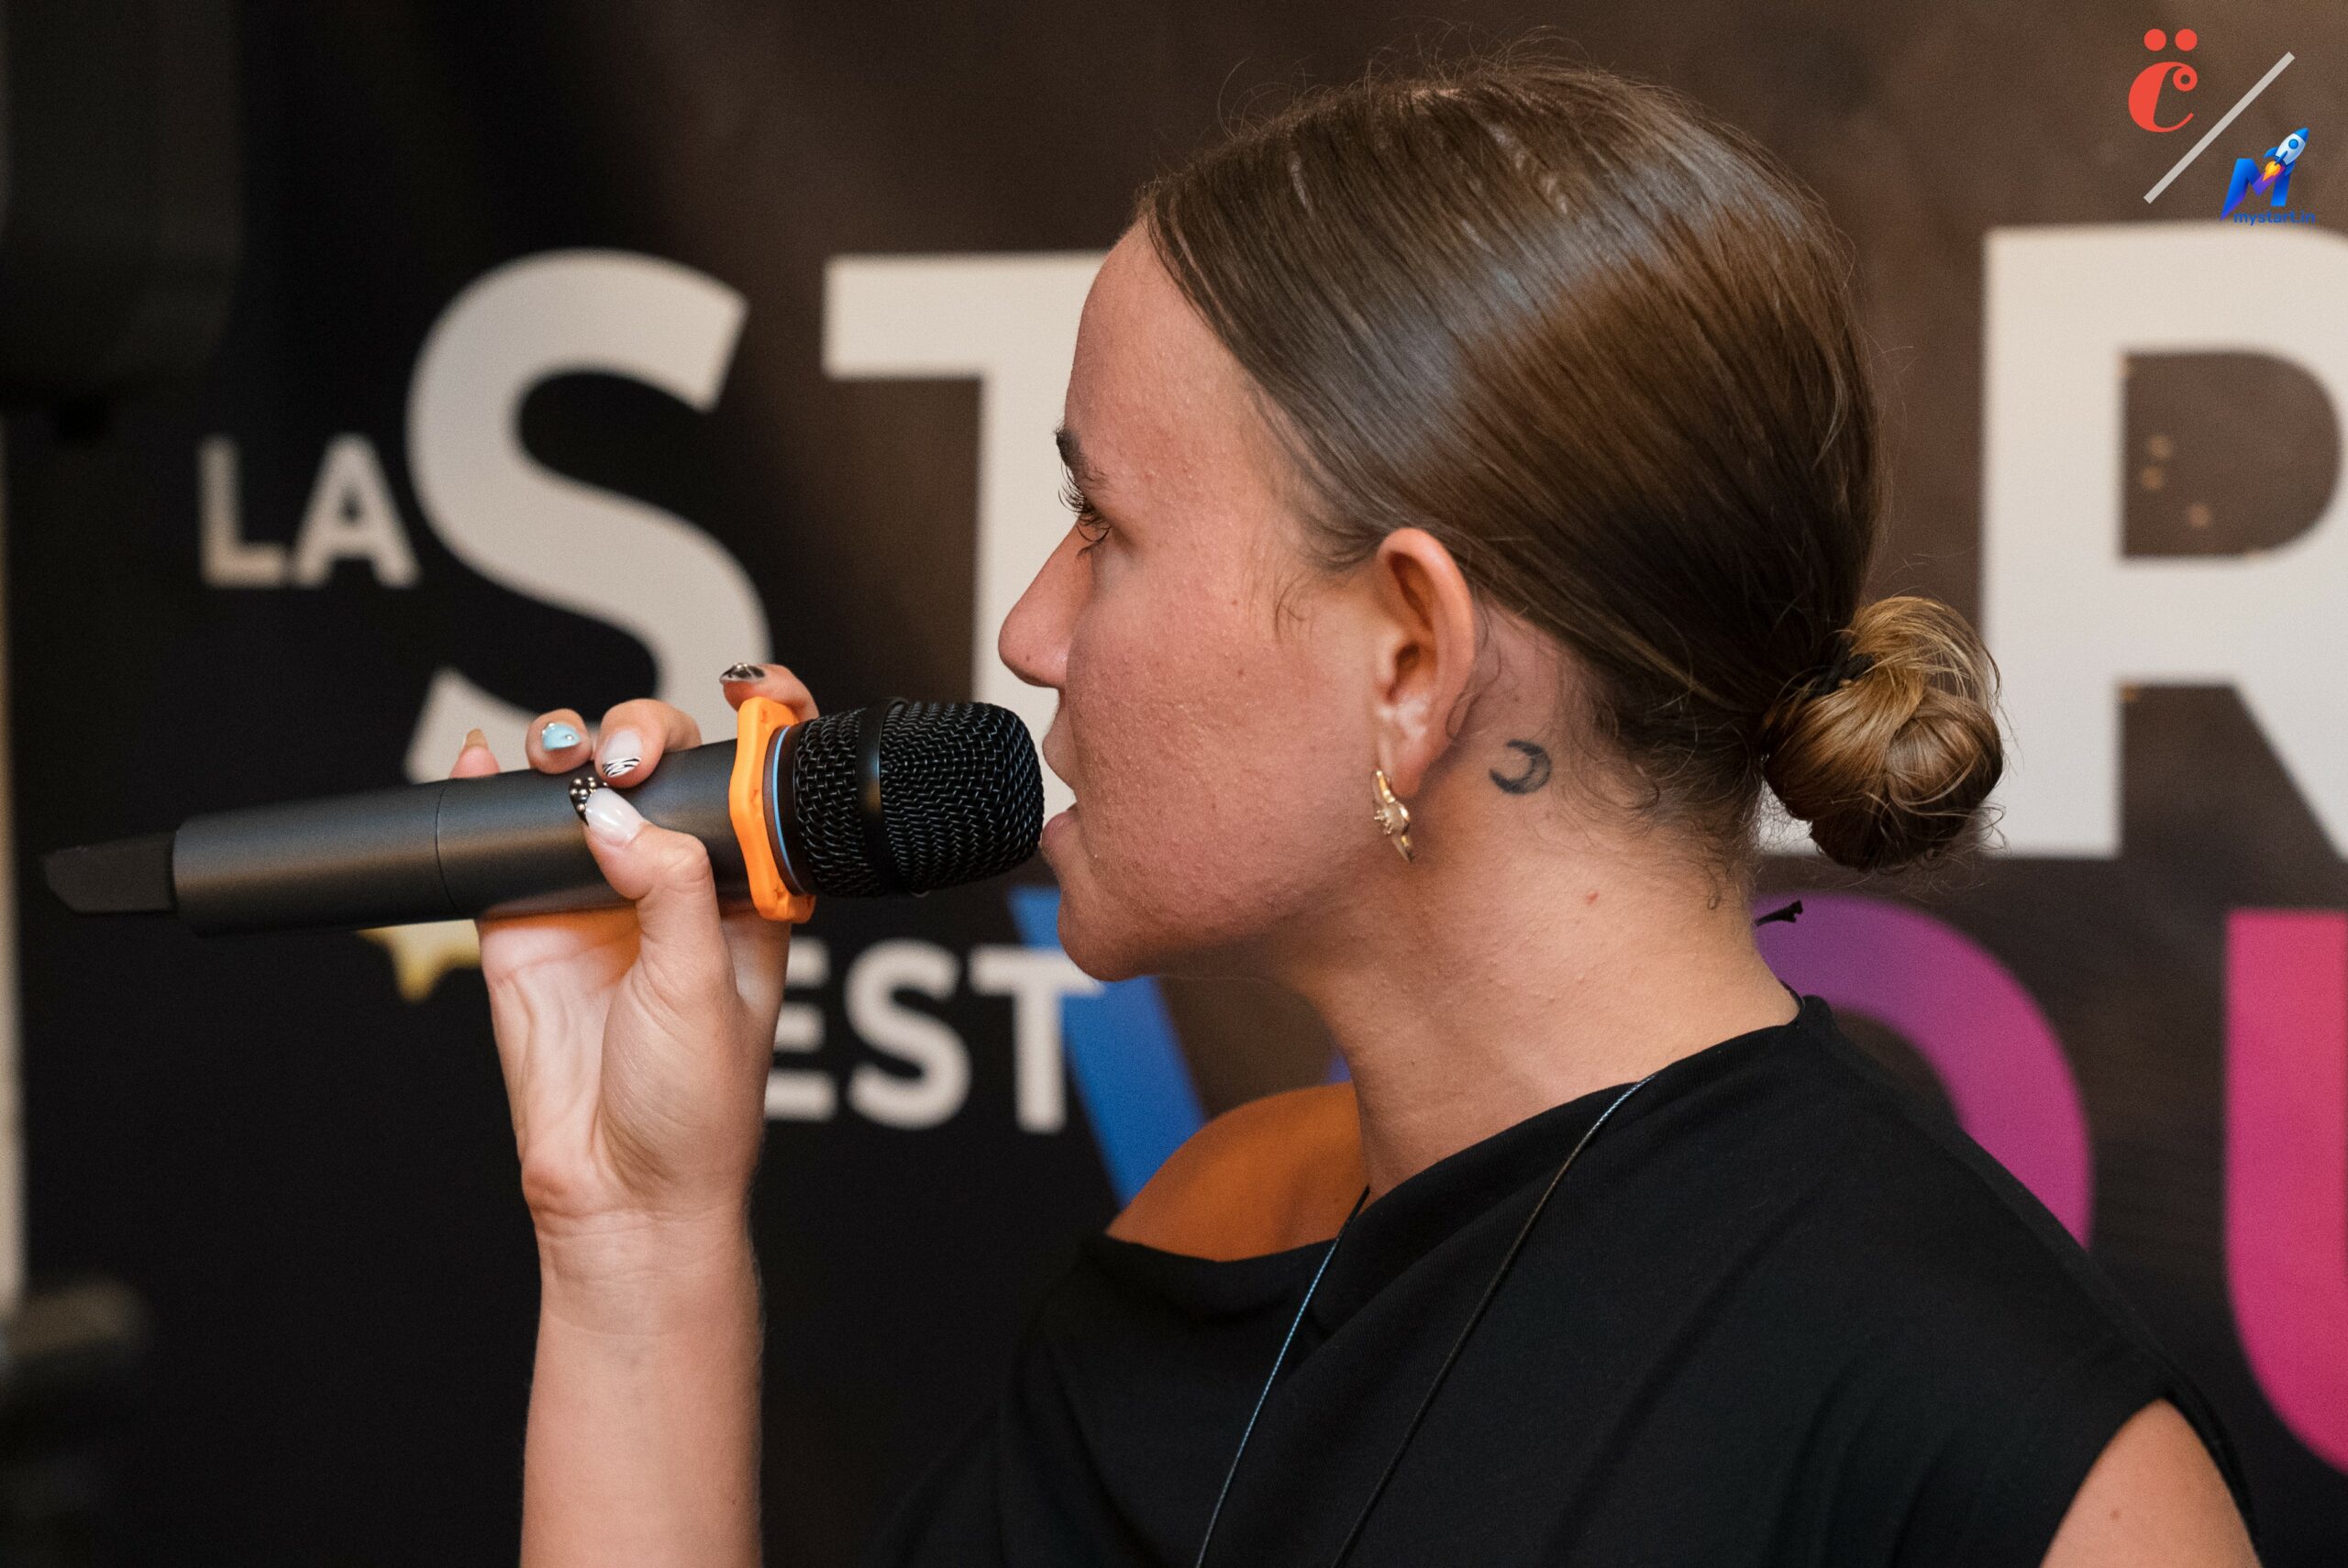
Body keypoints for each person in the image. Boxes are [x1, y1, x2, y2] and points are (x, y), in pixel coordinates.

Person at [447, 51, 2262, 1568]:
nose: (1028, 632)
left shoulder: (2020, 1472)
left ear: (1410, 658)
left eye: (1103, 528)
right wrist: (631, 1236)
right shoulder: (1217, 1236)